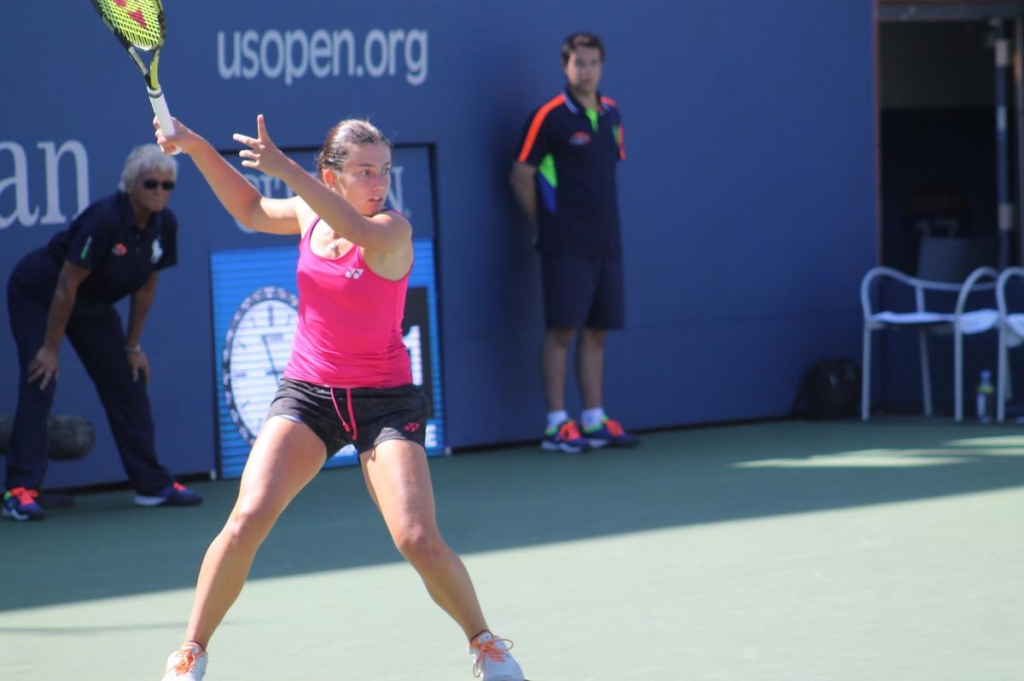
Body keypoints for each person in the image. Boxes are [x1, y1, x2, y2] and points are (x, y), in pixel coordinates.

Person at [152, 114, 525, 681]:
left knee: (417, 538)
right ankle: (191, 651)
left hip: (385, 402)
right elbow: (250, 211)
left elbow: (353, 227)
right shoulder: (308, 211)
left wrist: (288, 171)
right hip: (308, 395)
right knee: (247, 516)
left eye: (384, 172)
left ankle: (484, 641)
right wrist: (197, 145)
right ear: (333, 176)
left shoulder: (392, 231)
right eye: (364, 172)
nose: (379, 183)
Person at [3, 145, 203, 522]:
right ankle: (19, 490)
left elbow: (145, 287)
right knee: (40, 379)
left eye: (167, 185)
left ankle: (151, 485)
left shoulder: (165, 224)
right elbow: (65, 285)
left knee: (128, 380)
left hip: (90, 305)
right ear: (131, 185)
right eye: (151, 184)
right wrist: (49, 347)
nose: (160, 191)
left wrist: (132, 346)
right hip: (41, 293)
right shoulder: (105, 219)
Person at [509, 32, 641, 454]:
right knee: (562, 329)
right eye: (578, 63)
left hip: (607, 240)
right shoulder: (548, 116)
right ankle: (556, 424)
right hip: (564, 242)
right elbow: (520, 175)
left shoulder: (612, 113)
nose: (586, 71)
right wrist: (543, 226)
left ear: (602, 66)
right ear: (565, 67)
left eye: (593, 63)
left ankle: (593, 417)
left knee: (597, 330)